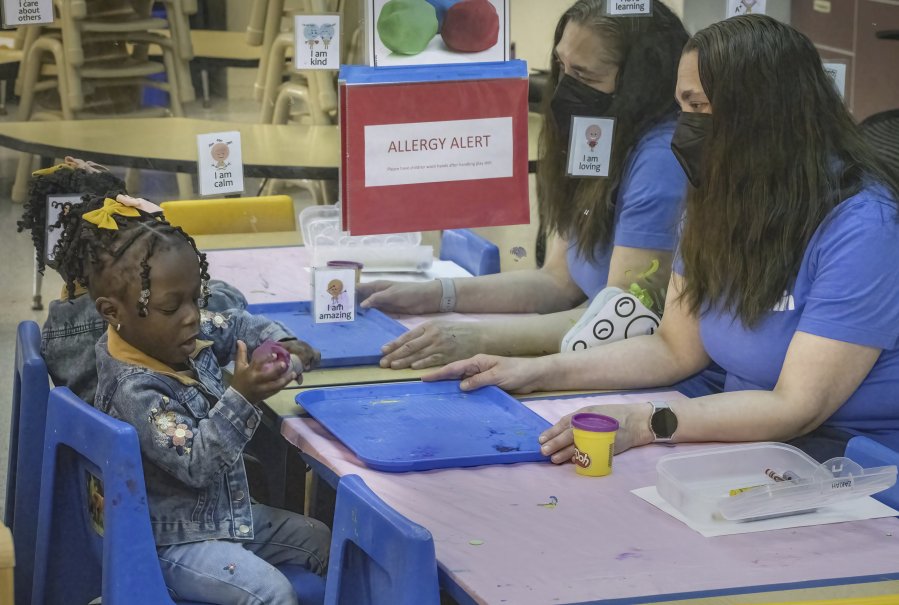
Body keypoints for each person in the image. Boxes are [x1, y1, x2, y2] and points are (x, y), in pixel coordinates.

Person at [425, 15, 899, 463]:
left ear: (761, 114)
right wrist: (538, 370)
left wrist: (647, 421)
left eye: (698, 106)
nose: (684, 126)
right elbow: (675, 347)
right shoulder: (720, 193)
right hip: (740, 427)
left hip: (845, 458)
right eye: (681, 106)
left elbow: (797, 406)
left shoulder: (863, 227)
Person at [358, 0, 690, 370]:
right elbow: (558, 282)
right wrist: (434, 295)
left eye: (585, 76)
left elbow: (619, 322)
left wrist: (479, 338)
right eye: (562, 68)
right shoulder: (596, 133)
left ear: (640, 83)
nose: (565, 87)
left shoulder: (661, 162)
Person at [54, 194, 327, 604]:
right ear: (113, 312)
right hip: (173, 542)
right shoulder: (135, 390)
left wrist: (280, 341)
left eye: (195, 299)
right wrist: (243, 395)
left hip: (221, 517)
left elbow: (232, 322)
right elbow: (197, 462)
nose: (191, 316)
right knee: (272, 593)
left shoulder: (173, 335)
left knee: (321, 539)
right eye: (172, 306)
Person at [18, 159, 247, 403]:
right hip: (178, 430)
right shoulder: (141, 309)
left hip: (97, 439)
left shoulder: (55, 331)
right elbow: (233, 302)